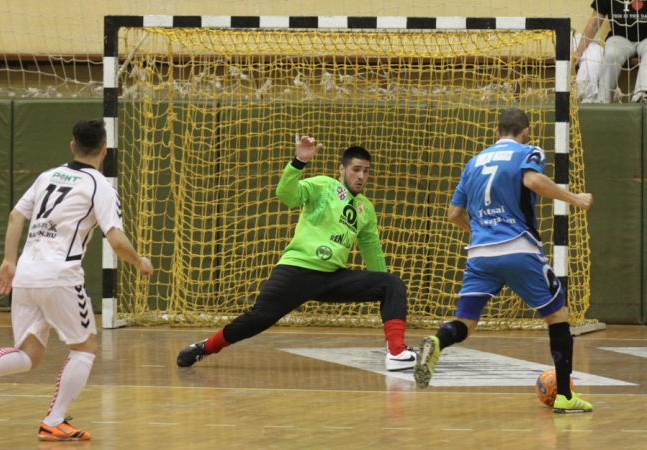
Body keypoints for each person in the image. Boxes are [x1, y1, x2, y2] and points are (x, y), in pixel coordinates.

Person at [0, 119, 154, 440]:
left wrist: (9, 261)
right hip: (60, 275)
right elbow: (115, 238)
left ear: (72, 146)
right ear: (104, 151)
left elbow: (16, 215)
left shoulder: (48, 176)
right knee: (85, 347)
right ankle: (54, 420)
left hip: (26, 274)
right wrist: (139, 261)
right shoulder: (100, 186)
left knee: (29, 355)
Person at [176, 135, 416, 371]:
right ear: (341, 170)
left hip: (332, 277)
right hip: (298, 270)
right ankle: (204, 347)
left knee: (391, 284)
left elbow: (372, 250)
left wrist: (384, 292)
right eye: (356, 169)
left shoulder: (366, 209)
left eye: (366, 171)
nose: (361, 176)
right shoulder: (322, 185)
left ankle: (396, 353)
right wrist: (298, 162)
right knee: (258, 319)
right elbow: (287, 195)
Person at [413, 108, 594, 413]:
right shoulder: (528, 151)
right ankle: (564, 395)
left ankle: (437, 340)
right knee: (558, 317)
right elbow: (533, 181)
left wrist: (484, 231)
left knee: (466, 324)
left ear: (496, 132)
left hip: (480, 254)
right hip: (519, 249)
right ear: (526, 132)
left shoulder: (473, 163)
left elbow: (454, 214)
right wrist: (574, 198)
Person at [575, 1, 647, 103]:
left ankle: (642, 97)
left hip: (646, 40)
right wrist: (579, 51)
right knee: (610, 54)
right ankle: (602, 101)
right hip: (620, 38)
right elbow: (593, 24)